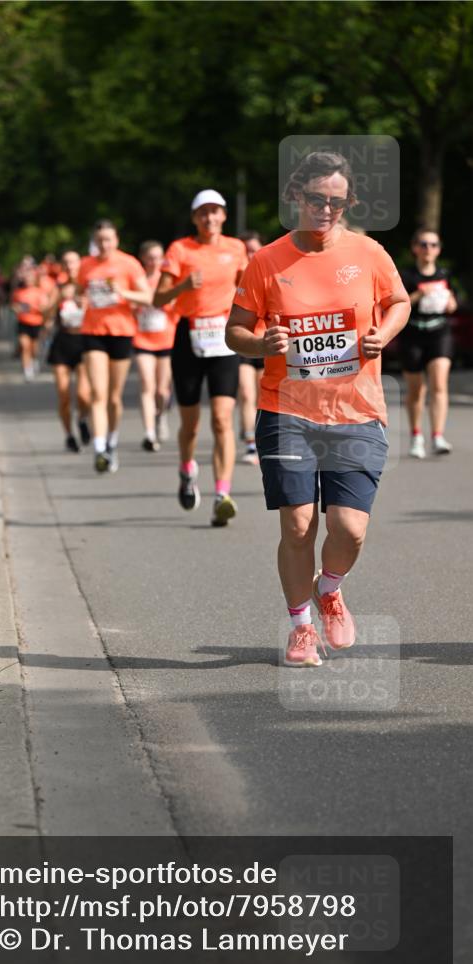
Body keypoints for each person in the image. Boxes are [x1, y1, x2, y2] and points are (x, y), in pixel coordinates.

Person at [226, 150, 410, 666]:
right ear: (295, 198)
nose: (325, 209)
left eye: (336, 200)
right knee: (298, 523)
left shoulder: (369, 252)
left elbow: (399, 302)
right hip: (287, 412)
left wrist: (384, 334)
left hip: (356, 409)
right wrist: (262, 345)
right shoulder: (266, 261)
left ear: (348, 201)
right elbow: (234, 332)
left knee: (349, 528)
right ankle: (301, 628)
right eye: (315, 199)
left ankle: (328, 588)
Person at [154, 190, 247, 526]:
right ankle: (187, 468)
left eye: (215, 212)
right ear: (195, 218)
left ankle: (222, 494)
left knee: (223, 418)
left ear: (223, 216)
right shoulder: (180, 249)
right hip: (188, 336)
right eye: (203, 213)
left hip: (223, 337)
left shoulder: (236, 249)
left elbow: (247, 288)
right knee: (190, 424)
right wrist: (182, 287)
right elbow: (157, 298)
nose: (209, 218)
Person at [77, 220, 152, 473]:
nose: (104, 245)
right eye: (99, 241)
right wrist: (79, 300)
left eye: (108, 239)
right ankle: (99, 449)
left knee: (113, 397)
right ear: (94, 242)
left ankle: (111, 441)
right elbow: (79, 292)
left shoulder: (129, 263)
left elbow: (147, 297)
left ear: (116, 240)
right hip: (92, 332)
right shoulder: (86, 265)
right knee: (98, 393)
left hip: (121, 332)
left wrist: (123, 293)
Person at [399, 228, 458, 458]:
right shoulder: (407, 275)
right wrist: (420, 293)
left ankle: (438, 436)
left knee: (439, 384)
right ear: (415, 248)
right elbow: (399, 303)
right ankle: (416, 436)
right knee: (416, 390)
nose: (428, 249)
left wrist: (451, 302)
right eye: (423, 244)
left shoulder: (444, 273)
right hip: (413, 333)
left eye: (433, 245)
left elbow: (452, 301)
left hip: (439, 332)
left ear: (439, 249)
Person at [45, 250, 91, 452]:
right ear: (62, 267)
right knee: (63, 395)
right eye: (66, 263)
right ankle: (69, 435)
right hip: (63, 342)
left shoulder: (88, 287)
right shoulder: (59, 288)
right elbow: (44, 313)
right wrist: (57, 301)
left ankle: (82, 419)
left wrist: (86, 305)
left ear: (79, 264)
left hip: (83, 341)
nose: (70, 266)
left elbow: (101, 310)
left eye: (73, 262)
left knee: (83, 394)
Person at [132, 241, 177, 451]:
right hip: (142, 339)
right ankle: (149, 433)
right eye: (150, 257)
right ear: (143, 258)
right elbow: (128, 304)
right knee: (146, 385)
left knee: (161, 391)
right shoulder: (137, 280)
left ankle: (161, 415)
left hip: (166, 338)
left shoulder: (167, 280)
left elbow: (179, 305)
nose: (154, 262)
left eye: (158, 257)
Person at [237, 231, 266, 464]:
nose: (250, 254)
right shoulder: (233, 275)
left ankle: (260, 437)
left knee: (260, 393)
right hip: (244, 343)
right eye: (245, 249)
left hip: (267, 343)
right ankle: (249, 443)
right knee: (246, 392)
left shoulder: (270, 272)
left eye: (254, 249)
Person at [10, 265, 47, 380]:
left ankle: (34, 360)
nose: (27, 280)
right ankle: (27, 371)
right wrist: (16, 309)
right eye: (26, 278)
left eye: (30, 277)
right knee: (25, 345)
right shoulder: (18, 292)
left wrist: (34, 308)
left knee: (34, 348)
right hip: (23, 322)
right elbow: (13, 305)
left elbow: (45, 307)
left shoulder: (39, 292)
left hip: (36, 322)